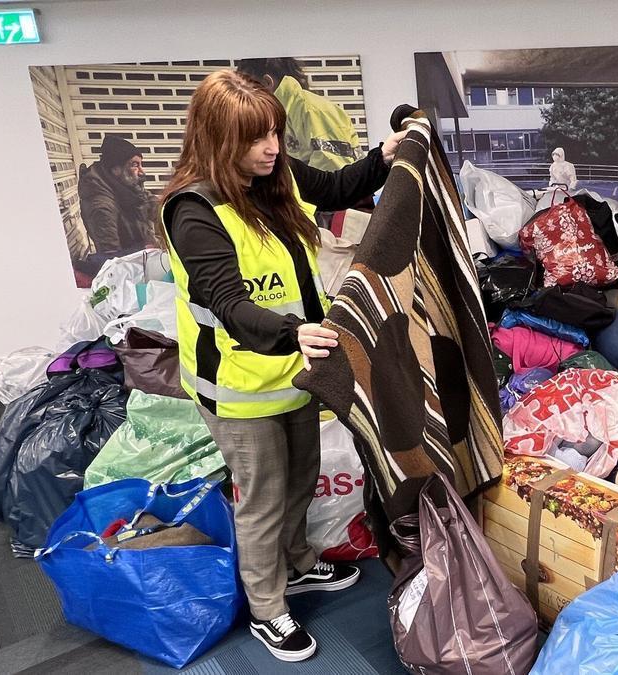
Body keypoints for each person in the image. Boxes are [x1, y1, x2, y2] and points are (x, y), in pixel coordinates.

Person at [159, 69, 406, 663]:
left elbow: (341, 184)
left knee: (300, 478)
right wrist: (297, 332)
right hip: (241, 384)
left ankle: (298, 564)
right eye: (254, 138)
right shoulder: (194, 211)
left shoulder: (276, 178)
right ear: (217, 140)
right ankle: (269, 607)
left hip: (296, 371)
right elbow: (231, 307)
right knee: (263, 497)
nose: (272, 148)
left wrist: (385, 155)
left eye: (274, 132)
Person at [234, 57, 363, 172]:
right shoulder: (281, 113)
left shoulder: (312, 110)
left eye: (250, 88)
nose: (246, 96)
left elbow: (332, 170)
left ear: (267, 83)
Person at [78, 134, 157, 265]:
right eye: (134, 165)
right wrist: (147, 249)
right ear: (116, 169)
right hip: (130, 271)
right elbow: (111, 259)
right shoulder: (101, 206)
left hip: (141, 260)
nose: (142, 171)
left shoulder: (125, 187)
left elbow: (152, 204)